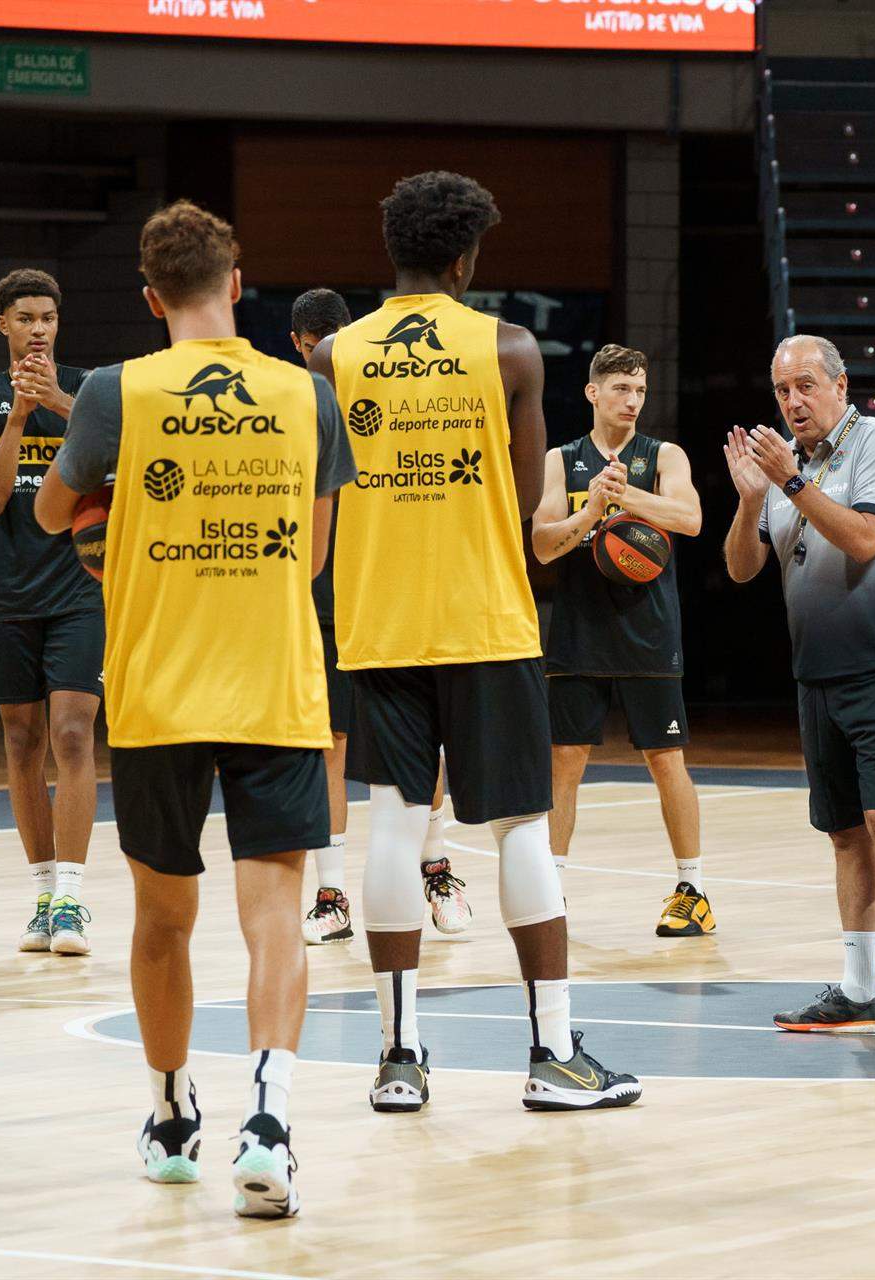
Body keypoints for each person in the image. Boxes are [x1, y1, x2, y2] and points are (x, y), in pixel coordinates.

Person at [38, 200, 353, 1215]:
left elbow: (51, 512)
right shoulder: (305, 394)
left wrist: (116, 507)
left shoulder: (110, 391)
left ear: (147, 295)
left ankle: (174, 1114)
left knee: (163, 920)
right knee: (274, 917)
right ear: (237, 276)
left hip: (158, 687)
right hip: (271, 679)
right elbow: (313, 554)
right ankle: (270, 1119)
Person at [310, 171, 639, 1113]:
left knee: (394, 824)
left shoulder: (335, 354)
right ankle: (552, 1054)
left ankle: (400, 1060)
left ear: (395, 252)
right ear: (466, 258)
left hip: (379, 620)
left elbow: (328, 481)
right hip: (485, 616)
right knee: (519, 829)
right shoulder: (511, 351)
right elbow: (531, 488)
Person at [725, 334, 875, 1044]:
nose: (794, 401)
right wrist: (751, 499)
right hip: (818, 668)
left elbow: (861, 540)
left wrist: (792, 482)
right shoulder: (789, 471)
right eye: (783, 391)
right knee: (846, 834)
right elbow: (740, 569)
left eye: (805, 386)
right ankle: (860, 989)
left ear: (841, 385)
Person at [287, 288, 472, 946]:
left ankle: (437, 870)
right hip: (324, 600)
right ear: (303, 350)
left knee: (426, 746)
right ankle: (331, 895)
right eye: (320, 351)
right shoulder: (292, 411)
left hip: (394, 589)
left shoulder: (389, 402)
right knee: (330, 747)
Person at [530, 343, 710, 935]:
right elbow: (543, 543)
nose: (633, 401)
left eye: (640, 390)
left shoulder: (663, 456)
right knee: (565, 761)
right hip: (579, 629)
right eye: (621, 390)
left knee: (665, 760)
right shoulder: (562, 459)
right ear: (593, 393)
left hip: (649, 630)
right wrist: (592, 513)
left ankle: (693, 891)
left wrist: (625, 496)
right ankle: (551, 891)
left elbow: (689, 519)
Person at [0, 268, 101, 956]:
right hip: (10, 591)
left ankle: (74, 900)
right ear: (3, 326)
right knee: (21, 744)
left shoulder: (94, 391)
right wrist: (19, 415)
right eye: (25, 318)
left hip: (81, 587)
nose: (39, 329)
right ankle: (44, 895)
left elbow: (127, 461)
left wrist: (60, 403)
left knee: (74, 735)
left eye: (47, 317)